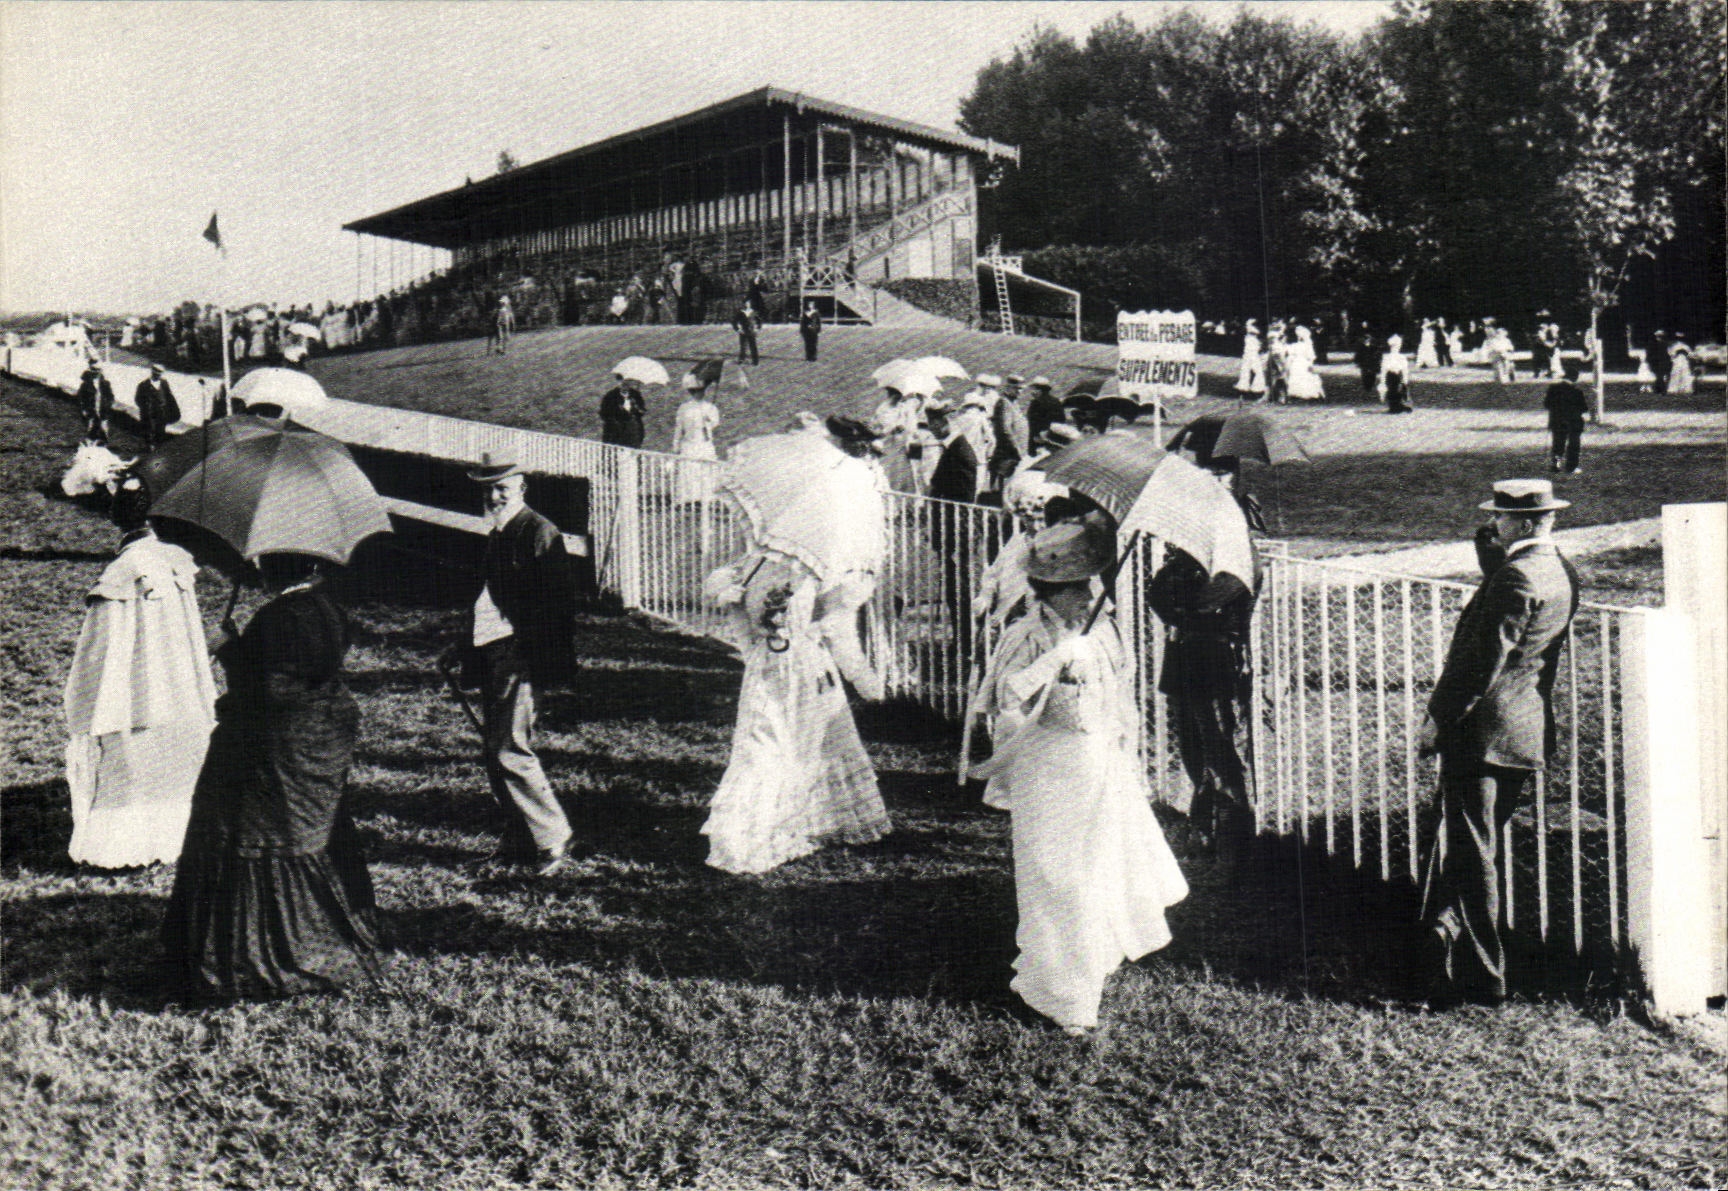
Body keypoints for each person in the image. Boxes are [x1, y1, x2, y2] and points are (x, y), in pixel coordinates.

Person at [972, 519, 1188, 1034]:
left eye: (1092, 582)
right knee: (1057, 877)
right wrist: (1052, 673)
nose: (1091, 594)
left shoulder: (1105, 629)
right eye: (1077, 587)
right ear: (1048, 589)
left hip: (1098, 766)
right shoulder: (1026, 634)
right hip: (1048, 770)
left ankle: (1088, 967)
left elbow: (1121, 695)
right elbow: (1002, 704)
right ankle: (1061, 991)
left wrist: (1109, 717)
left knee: (1100, 871)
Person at [160, 552, 380, 1000]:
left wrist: (226, 647)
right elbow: (299, 673)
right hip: (320, 735)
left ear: (273, 569)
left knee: (240, 824)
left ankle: (258, 955)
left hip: (276, 743)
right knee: (311, 830)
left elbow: (267, 691)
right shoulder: (328, 607)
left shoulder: (278, 617)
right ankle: (327, 933)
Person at [1418, 480, 1579, 1005]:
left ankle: (1483, 980)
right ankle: (1434, 951)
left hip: (1481, 735)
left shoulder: (1515, 577)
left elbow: (1478, 664)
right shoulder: (1557, 570)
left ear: (1526, 524)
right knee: (1473, 848)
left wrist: (1438, 720)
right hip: (1521, 730)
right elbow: (1507, 598)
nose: (1495, 525)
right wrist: (1491, 546)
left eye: (1503, 519)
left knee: (1470, 857)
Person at [700, 540, 890, 872]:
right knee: (770, 745)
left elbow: (833, 630)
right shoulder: (762, 565)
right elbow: (837, 632)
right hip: (786, 667)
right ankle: (747, 835)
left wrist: (861, 678)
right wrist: (865, 681)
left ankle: (808, 821)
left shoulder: (779, 565)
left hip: (798, 669)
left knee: (811, 744)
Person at [63, 476, 216, 868]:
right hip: (177, 678)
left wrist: (86, 697)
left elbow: (100, 647)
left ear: (116, 516)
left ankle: (127, 846)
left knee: (130, 758)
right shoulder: (175, 560)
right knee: (173, 755)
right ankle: (175, 835)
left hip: (139, 682)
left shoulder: (122, 570)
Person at [453, 454, 579, 875]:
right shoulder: (500, 532)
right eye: (487, 488)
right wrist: (462, 645)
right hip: (492, 649)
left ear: (522, 488)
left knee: (510, 748)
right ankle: (520, 840)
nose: (493, 495)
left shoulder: (539, 532)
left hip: (520, 655)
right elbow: (488, 598)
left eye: (502, 487)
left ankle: (553, 839)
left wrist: (533, 660)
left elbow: (556, 607)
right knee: (495, 751)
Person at [1147, 527, 1258, 859]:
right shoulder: (1183, 560)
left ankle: (1230, 819)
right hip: (1185, 657)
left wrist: (1186, 600)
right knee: (1191, 740)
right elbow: (1160, 599)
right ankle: (1205, 816)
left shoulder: (1234, 557)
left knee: (1217, 739)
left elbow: (1209, 600)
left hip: (1216, 657)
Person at [925, 398, 982, 666]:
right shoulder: (953, 449)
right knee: (953, 590)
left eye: (934, 424)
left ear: (944, 423)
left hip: (955, 535)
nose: (932, 430)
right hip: (947, 533)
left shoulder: (960, 452)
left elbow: (962, 500)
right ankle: (960, 642)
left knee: (959, 591)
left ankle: (966, 646)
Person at [671, 368, 722, 504]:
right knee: (689, 471)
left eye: (701, 391)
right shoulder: (684, 408)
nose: (699, 394)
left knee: (705, 470)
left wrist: (708, 421)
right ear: (691, 392)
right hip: (689, 443)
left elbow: (715, 424)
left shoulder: (710, 407)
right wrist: (676, 445)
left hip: (704, 443)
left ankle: (706, 497)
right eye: (695, 391)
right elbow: (679, 427)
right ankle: (688, 498)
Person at [1543, 358, 1588, 475]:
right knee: (1573, 444)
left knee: (1557, 442)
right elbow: (1583, 408)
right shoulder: (1577, 392)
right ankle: (1571, 467)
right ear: (1575, 378)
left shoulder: (1553, 389)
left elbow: (1546, 404)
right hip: (1573, 422)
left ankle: (1556, 464)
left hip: (1556, 420)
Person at [989, 370, 1031, 491]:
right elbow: (1005, 430)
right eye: (1016, 389)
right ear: (1008, 388)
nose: (1020, 392)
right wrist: (1017, 449)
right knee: (1001, 487)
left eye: (1021, 389)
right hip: (1007, 453)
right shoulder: (1004, 403)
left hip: (1015, 454)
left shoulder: (1014, 403)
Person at [133, 362, 182, 448]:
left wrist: (173, 410)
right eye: (156, 373)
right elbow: (138, 399)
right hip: (149, 414)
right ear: (152, 372)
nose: (158, 375)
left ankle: (158, 449)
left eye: (160, 374)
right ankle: (149, 448)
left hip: (162, 413)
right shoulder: (143, 385)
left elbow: (169, 396)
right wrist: (146, 407)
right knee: (149, 432)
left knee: (160, 433)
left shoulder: (164, 383)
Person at [599, 374, 647, 448]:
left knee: (632, 454)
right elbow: (604, 414)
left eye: (628, 381)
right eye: (622, 380)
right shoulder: (610, 396)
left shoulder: (636, 395)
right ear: (618, 381)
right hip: (615, 434)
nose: (625, 383)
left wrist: (636, 408)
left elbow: (642, 410)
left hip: (632, 433)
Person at [77, 361, 116, 445]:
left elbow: (111, 397)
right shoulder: (85, 385)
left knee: (103, 428)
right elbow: (81, 398)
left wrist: (107, 405)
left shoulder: (105, 384)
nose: (96, 373)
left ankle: (103, 444)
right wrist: (84, 409)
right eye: (94, 370)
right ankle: (90, 444)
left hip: (102, 410)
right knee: (91, 427)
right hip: (91, 410)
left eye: (98, 371)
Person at [1286, 324, 1325, 401]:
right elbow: (1309, 356)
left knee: (1304, 376)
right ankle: (1299, 392)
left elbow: (1309, 356)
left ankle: (1305, 392)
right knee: (1299, 376)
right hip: (1299, 362)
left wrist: (1310, 363)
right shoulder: (1299, 345)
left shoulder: (1303, 345)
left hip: (1300, 362)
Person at [1024, 376, 1064, 443]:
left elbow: (1032, 422)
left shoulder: (1036, 403)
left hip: (1039, 438)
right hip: (1055, 435)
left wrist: (1035, 435)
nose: (1032, 392)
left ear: (1041, 390)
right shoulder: (1056, 401)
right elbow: (1062, 419)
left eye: (1034, 389)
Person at [1381, 333, 1413, 414]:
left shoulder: (1401, 357)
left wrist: (1405, 381)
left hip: (1398, 376)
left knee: (1398, 391)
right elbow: (1384, 369)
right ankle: (1393, 406)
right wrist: (1383, 381)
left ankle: (1398, 405)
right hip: (1390, 376)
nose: (1396, 348)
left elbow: (1405, 370)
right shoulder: (1387, 357)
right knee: (1391, 391)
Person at [1236, 321, 1267, 398]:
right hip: (1252, 356)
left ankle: (1245, 387)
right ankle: (1256, 388)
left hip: (1249, 356)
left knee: (1247, 371)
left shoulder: (1248, 338)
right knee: (1256, 371)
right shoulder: (1251, 339)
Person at [732, 302, 760, 366]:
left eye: (748, 304)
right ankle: (742, 359)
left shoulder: (753, 312)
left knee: (753, 347)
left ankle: (755, 361)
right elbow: (734, 321)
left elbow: (759, 321)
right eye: (745, 304)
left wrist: (757, 329)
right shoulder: (741, 313)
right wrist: (738, 329)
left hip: (751, 332)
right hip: (743, 331)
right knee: (743, 346)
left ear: (750, 305)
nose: (746, 305)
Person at [1535, 314, 1563, 379]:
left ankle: (1555, 372)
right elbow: (1544, 342)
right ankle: (1550, 372)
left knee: (1554, 358)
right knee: (1551, 358)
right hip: (1544, 349)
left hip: (1552, 349)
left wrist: (1553, 343)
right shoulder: (1541, 333)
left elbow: (1554, 340)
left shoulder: (1552, 328)